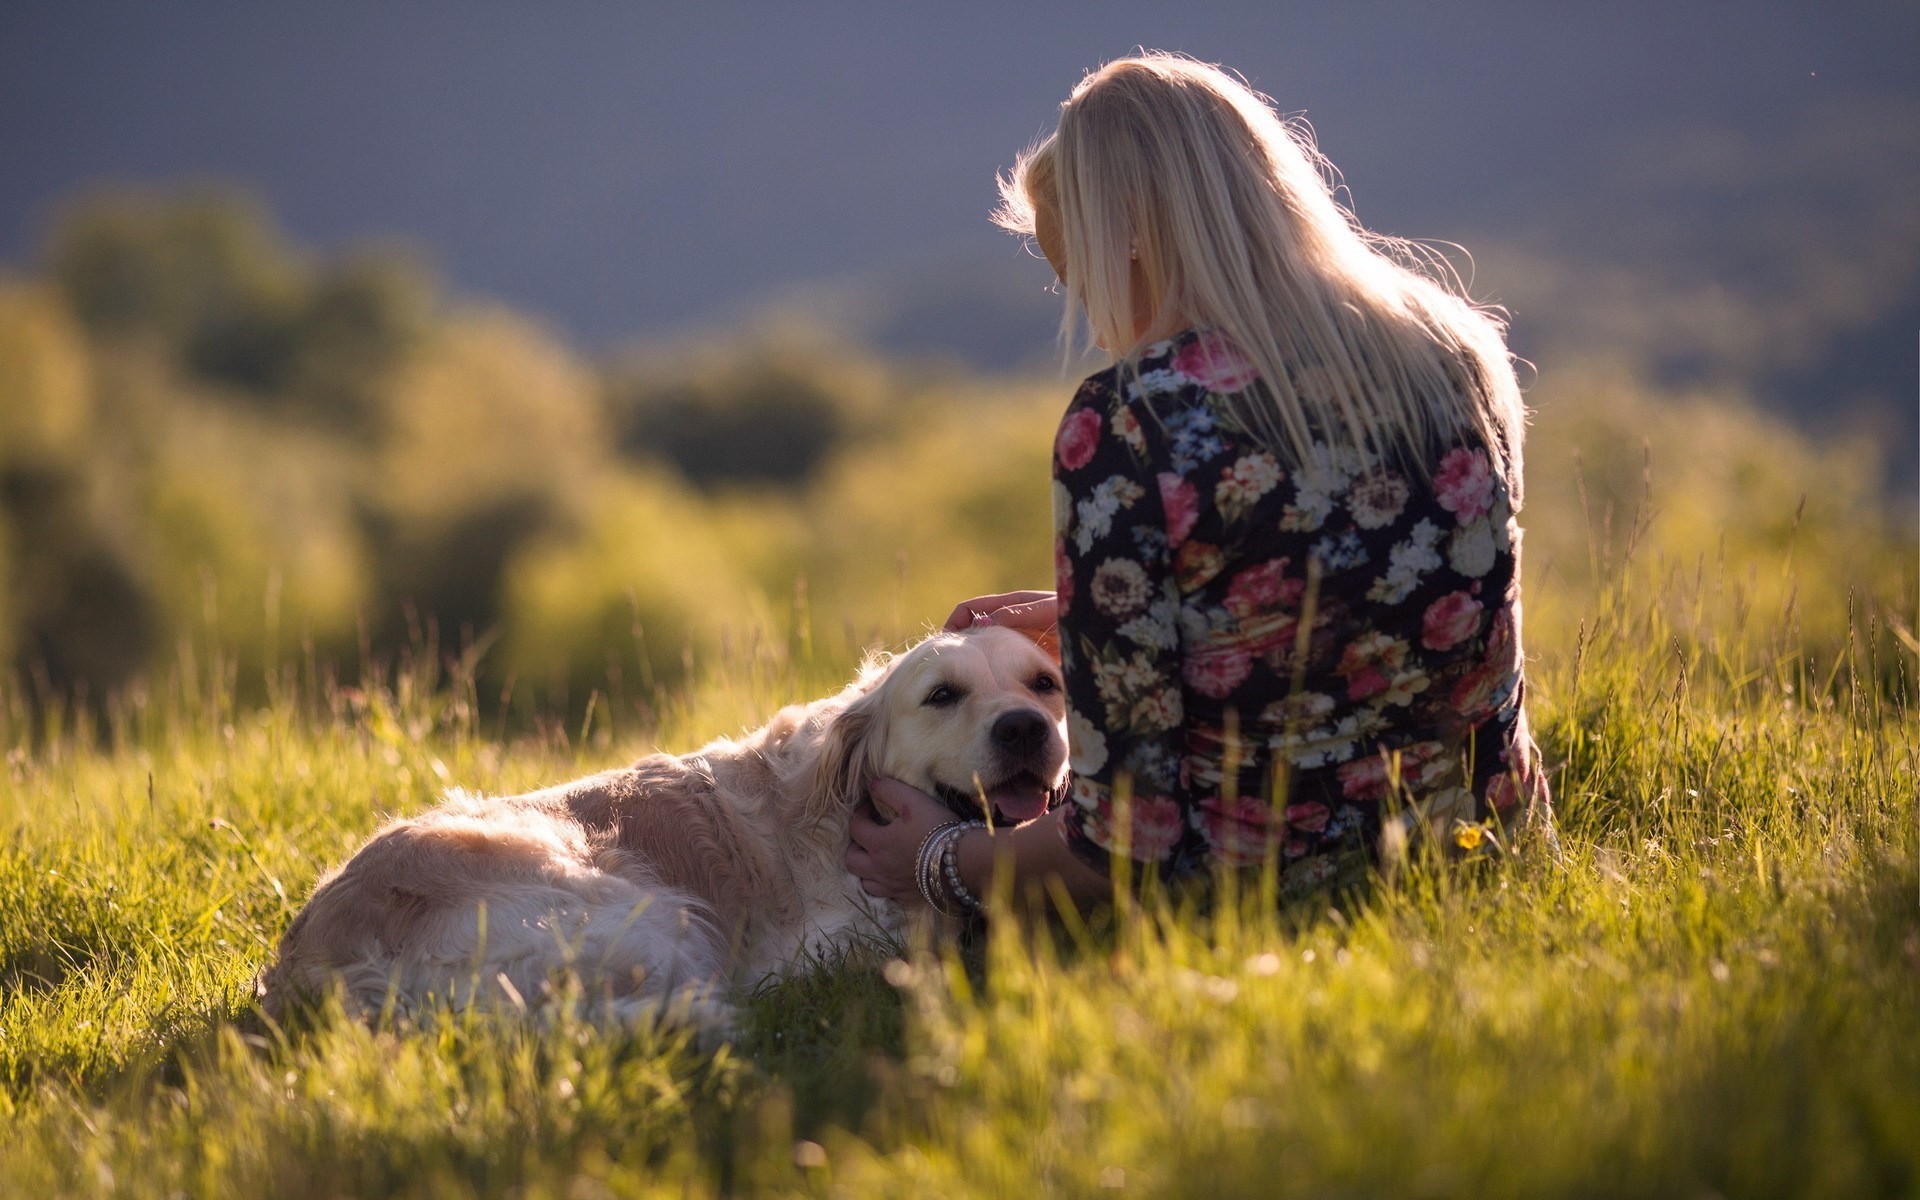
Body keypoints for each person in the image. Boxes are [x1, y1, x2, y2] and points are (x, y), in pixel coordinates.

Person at [845, 52, 1549, 913]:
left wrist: (940, 862)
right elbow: (1394, 608)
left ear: (1130, 239)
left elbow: (1121, 845)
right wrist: (1098, 629)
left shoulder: (1130, 418)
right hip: (1484, 854)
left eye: (1085, 280)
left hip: (1266, 899)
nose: (1104, 330)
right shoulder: (1456, 352)